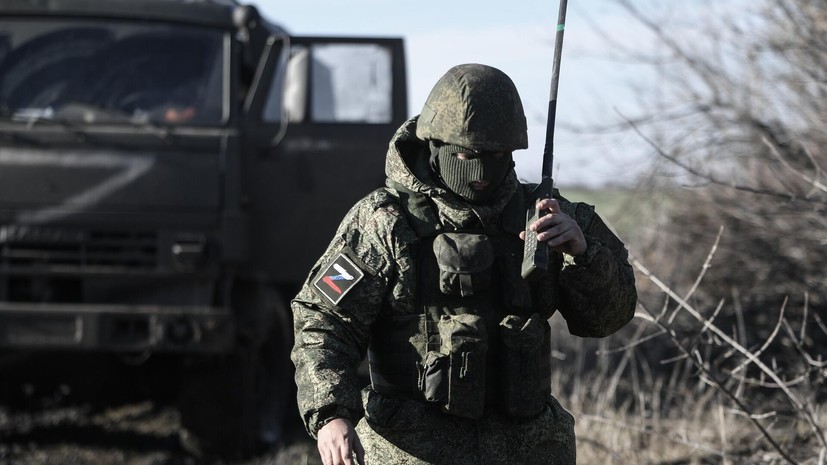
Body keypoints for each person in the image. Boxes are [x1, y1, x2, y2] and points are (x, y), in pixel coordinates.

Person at [290, 63, 637, 465]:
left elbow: (608, 319)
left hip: (529, 448)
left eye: (495, 156)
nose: (481, 172)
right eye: (468, 155)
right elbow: (322, 319)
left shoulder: (550, 217)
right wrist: (330, 413)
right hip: (410, 448)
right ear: (436, 146)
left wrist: (583, 254)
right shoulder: (384, 221)